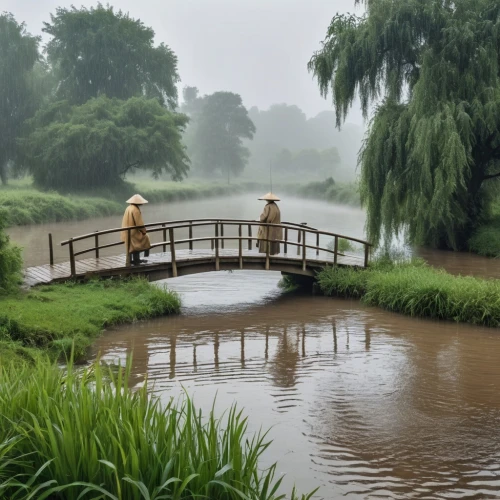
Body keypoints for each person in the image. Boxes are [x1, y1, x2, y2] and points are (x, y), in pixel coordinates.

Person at [121, 194, 151, 265]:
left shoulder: (128, 208)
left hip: (127, 232)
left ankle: (132, 260)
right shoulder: (135, 210)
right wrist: (143, 231)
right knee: (146, 238)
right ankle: (143, 258)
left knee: (131, 246)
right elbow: (139, 224)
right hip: (133, 233)